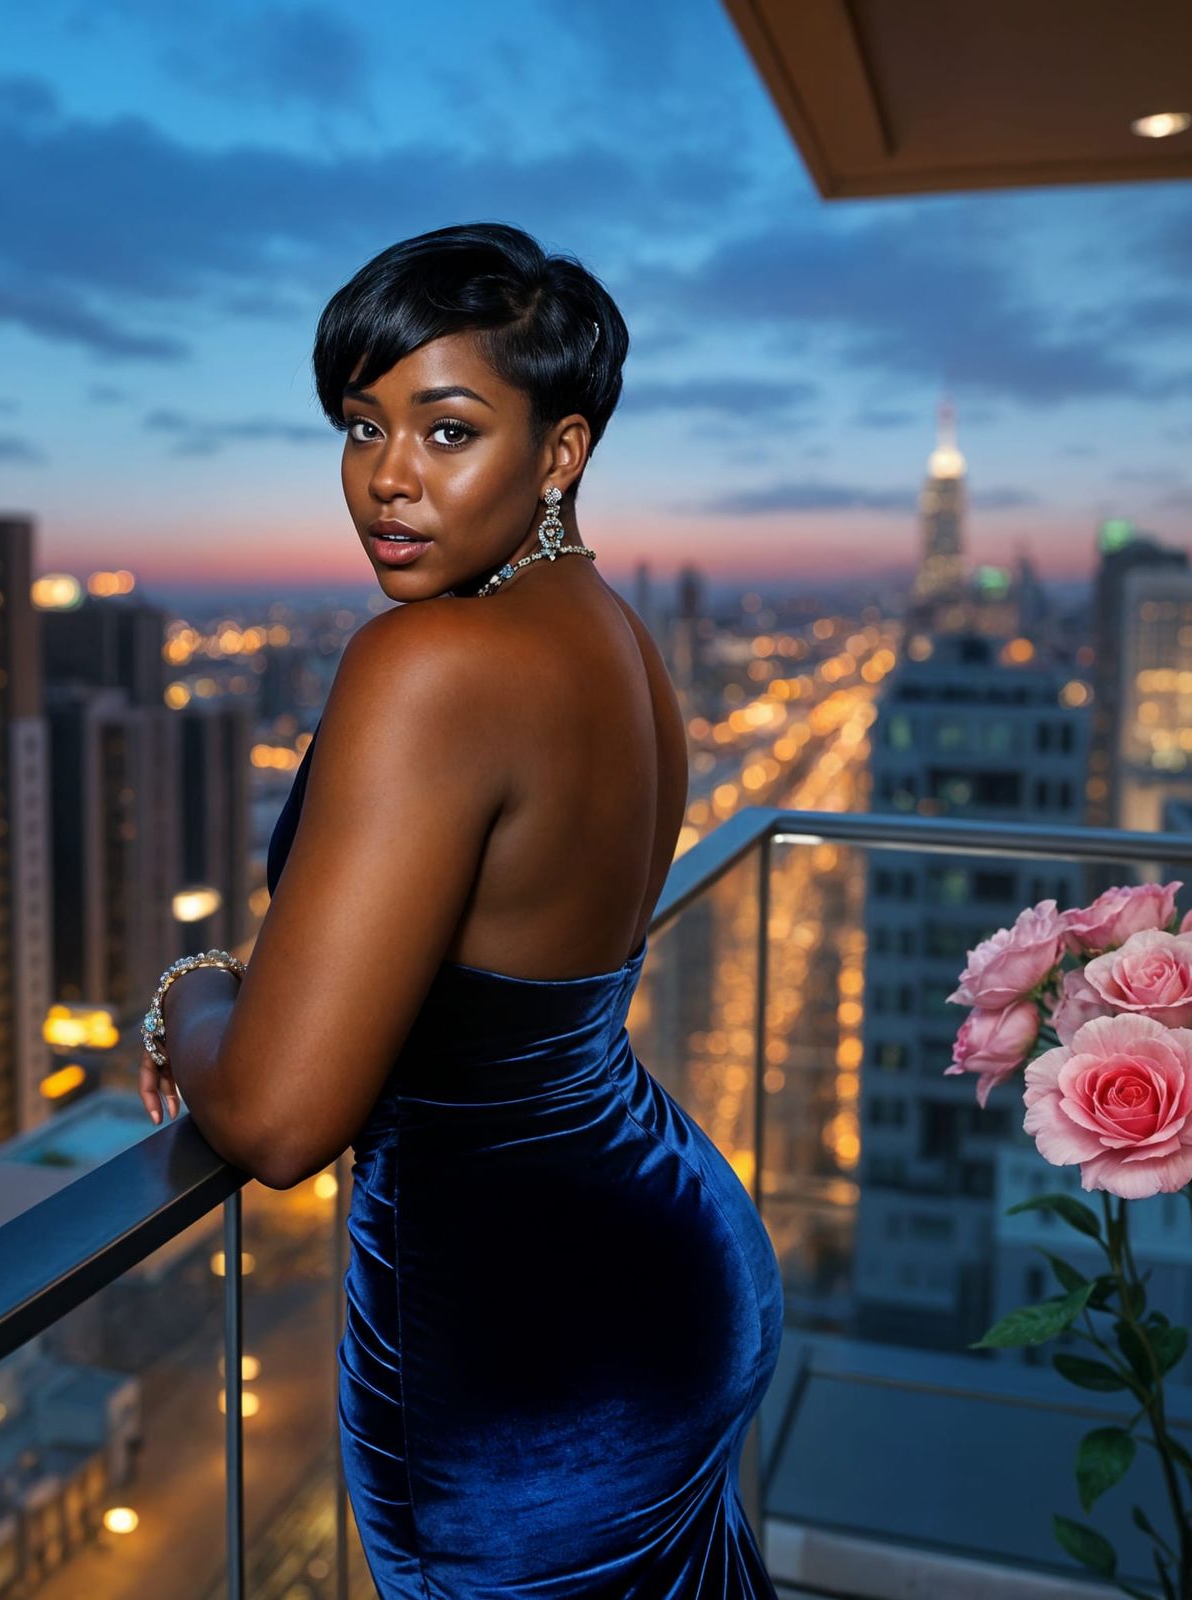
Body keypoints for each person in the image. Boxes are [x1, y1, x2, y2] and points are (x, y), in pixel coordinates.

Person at [140, 222, 785, 1598]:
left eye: (446, 432)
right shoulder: (611, 634)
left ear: (559, 454)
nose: (386, 479)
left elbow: (274, 1121)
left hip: (517, 1350)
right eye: (361, 427)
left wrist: (191, 994)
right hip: (665, 1247)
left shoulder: (428, 662)